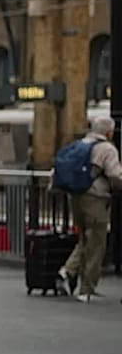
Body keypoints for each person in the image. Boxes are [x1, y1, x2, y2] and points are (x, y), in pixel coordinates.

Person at [57, 116, 122, 302]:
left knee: (85, 239)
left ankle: (66, 272)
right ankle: (87, 290)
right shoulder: (107, 149)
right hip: (96, 199)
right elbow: (115, 175)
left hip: (76, 197)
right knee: (97, 244)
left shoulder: (80, 144)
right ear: (109, 132)